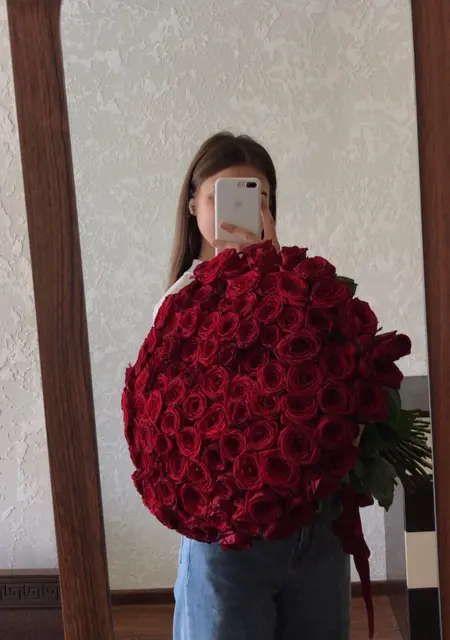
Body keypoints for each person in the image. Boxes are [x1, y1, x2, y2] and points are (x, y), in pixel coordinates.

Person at [153, 132, 351, 640]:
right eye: (221, 196)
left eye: (257, 197)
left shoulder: (298, 287)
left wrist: (278, 276)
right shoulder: (180, 303)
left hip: (309, 520)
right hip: (226, 531)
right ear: (192, 204)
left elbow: (320, 379)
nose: (241, 211)